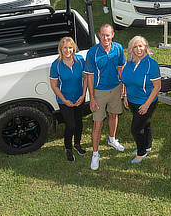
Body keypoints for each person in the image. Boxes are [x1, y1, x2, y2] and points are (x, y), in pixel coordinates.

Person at [84, 23, 127, 170]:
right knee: (98, 123)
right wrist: (92, 98)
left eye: (107, 35)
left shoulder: (118, 48)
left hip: (115, 88)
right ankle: (95, 154)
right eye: (102, 35)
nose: (105, 38)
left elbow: (121, 68)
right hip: (99, 91)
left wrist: (123, 87)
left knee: (113, 115)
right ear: (99, 35)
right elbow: (89, 76)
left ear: (112, 35)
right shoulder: (92, 52)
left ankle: (112, 139)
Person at [121, 35, 161, 163]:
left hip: (146, 102)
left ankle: (141, 152)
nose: (138, 49)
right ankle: (147, 146)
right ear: (131, 49)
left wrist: (146, 105)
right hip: (132, 100)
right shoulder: (129, 62)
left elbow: (157, 86)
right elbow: (125, 80)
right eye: (135, 47)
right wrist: (125, 95)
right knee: (145, 123)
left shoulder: (152, 65)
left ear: (146, 47)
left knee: (136, 129)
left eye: (140, 46)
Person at [49, 37, 87, 161]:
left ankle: (77, 144)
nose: (67, 50)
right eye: (65, 48)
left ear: (73, 48)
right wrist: (65, 100)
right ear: (60, 49)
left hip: (79, 98)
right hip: (64, 100)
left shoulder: (80, 60)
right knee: (70, 125)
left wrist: (83, 95)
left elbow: (86, 78)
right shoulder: (56, 65)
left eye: (70, 47)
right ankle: (68, 148)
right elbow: (54, 85)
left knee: (79, 123)